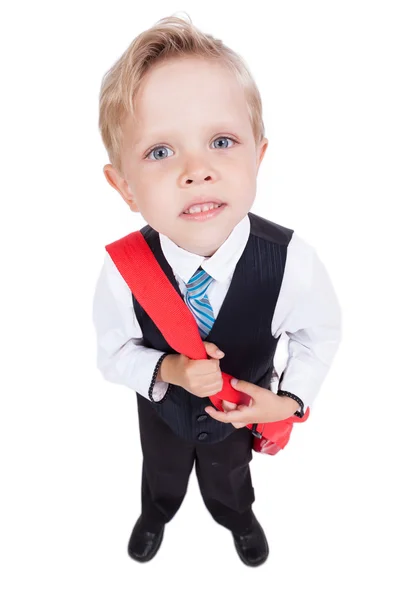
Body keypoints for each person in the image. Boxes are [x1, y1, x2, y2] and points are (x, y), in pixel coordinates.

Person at [92, 14, 342, 567]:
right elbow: (113, 352)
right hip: (162, 414)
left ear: (258, 155)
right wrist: (169, 372)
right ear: (125, 187)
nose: (197, 170)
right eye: (160, 152)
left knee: (231, 479)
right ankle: (155, 513)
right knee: (160, 470)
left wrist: (288, 400)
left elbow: (318, 336)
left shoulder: (291, 263)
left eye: (222, 141)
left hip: (240, 412)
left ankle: (238, 519)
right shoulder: (124, 270)